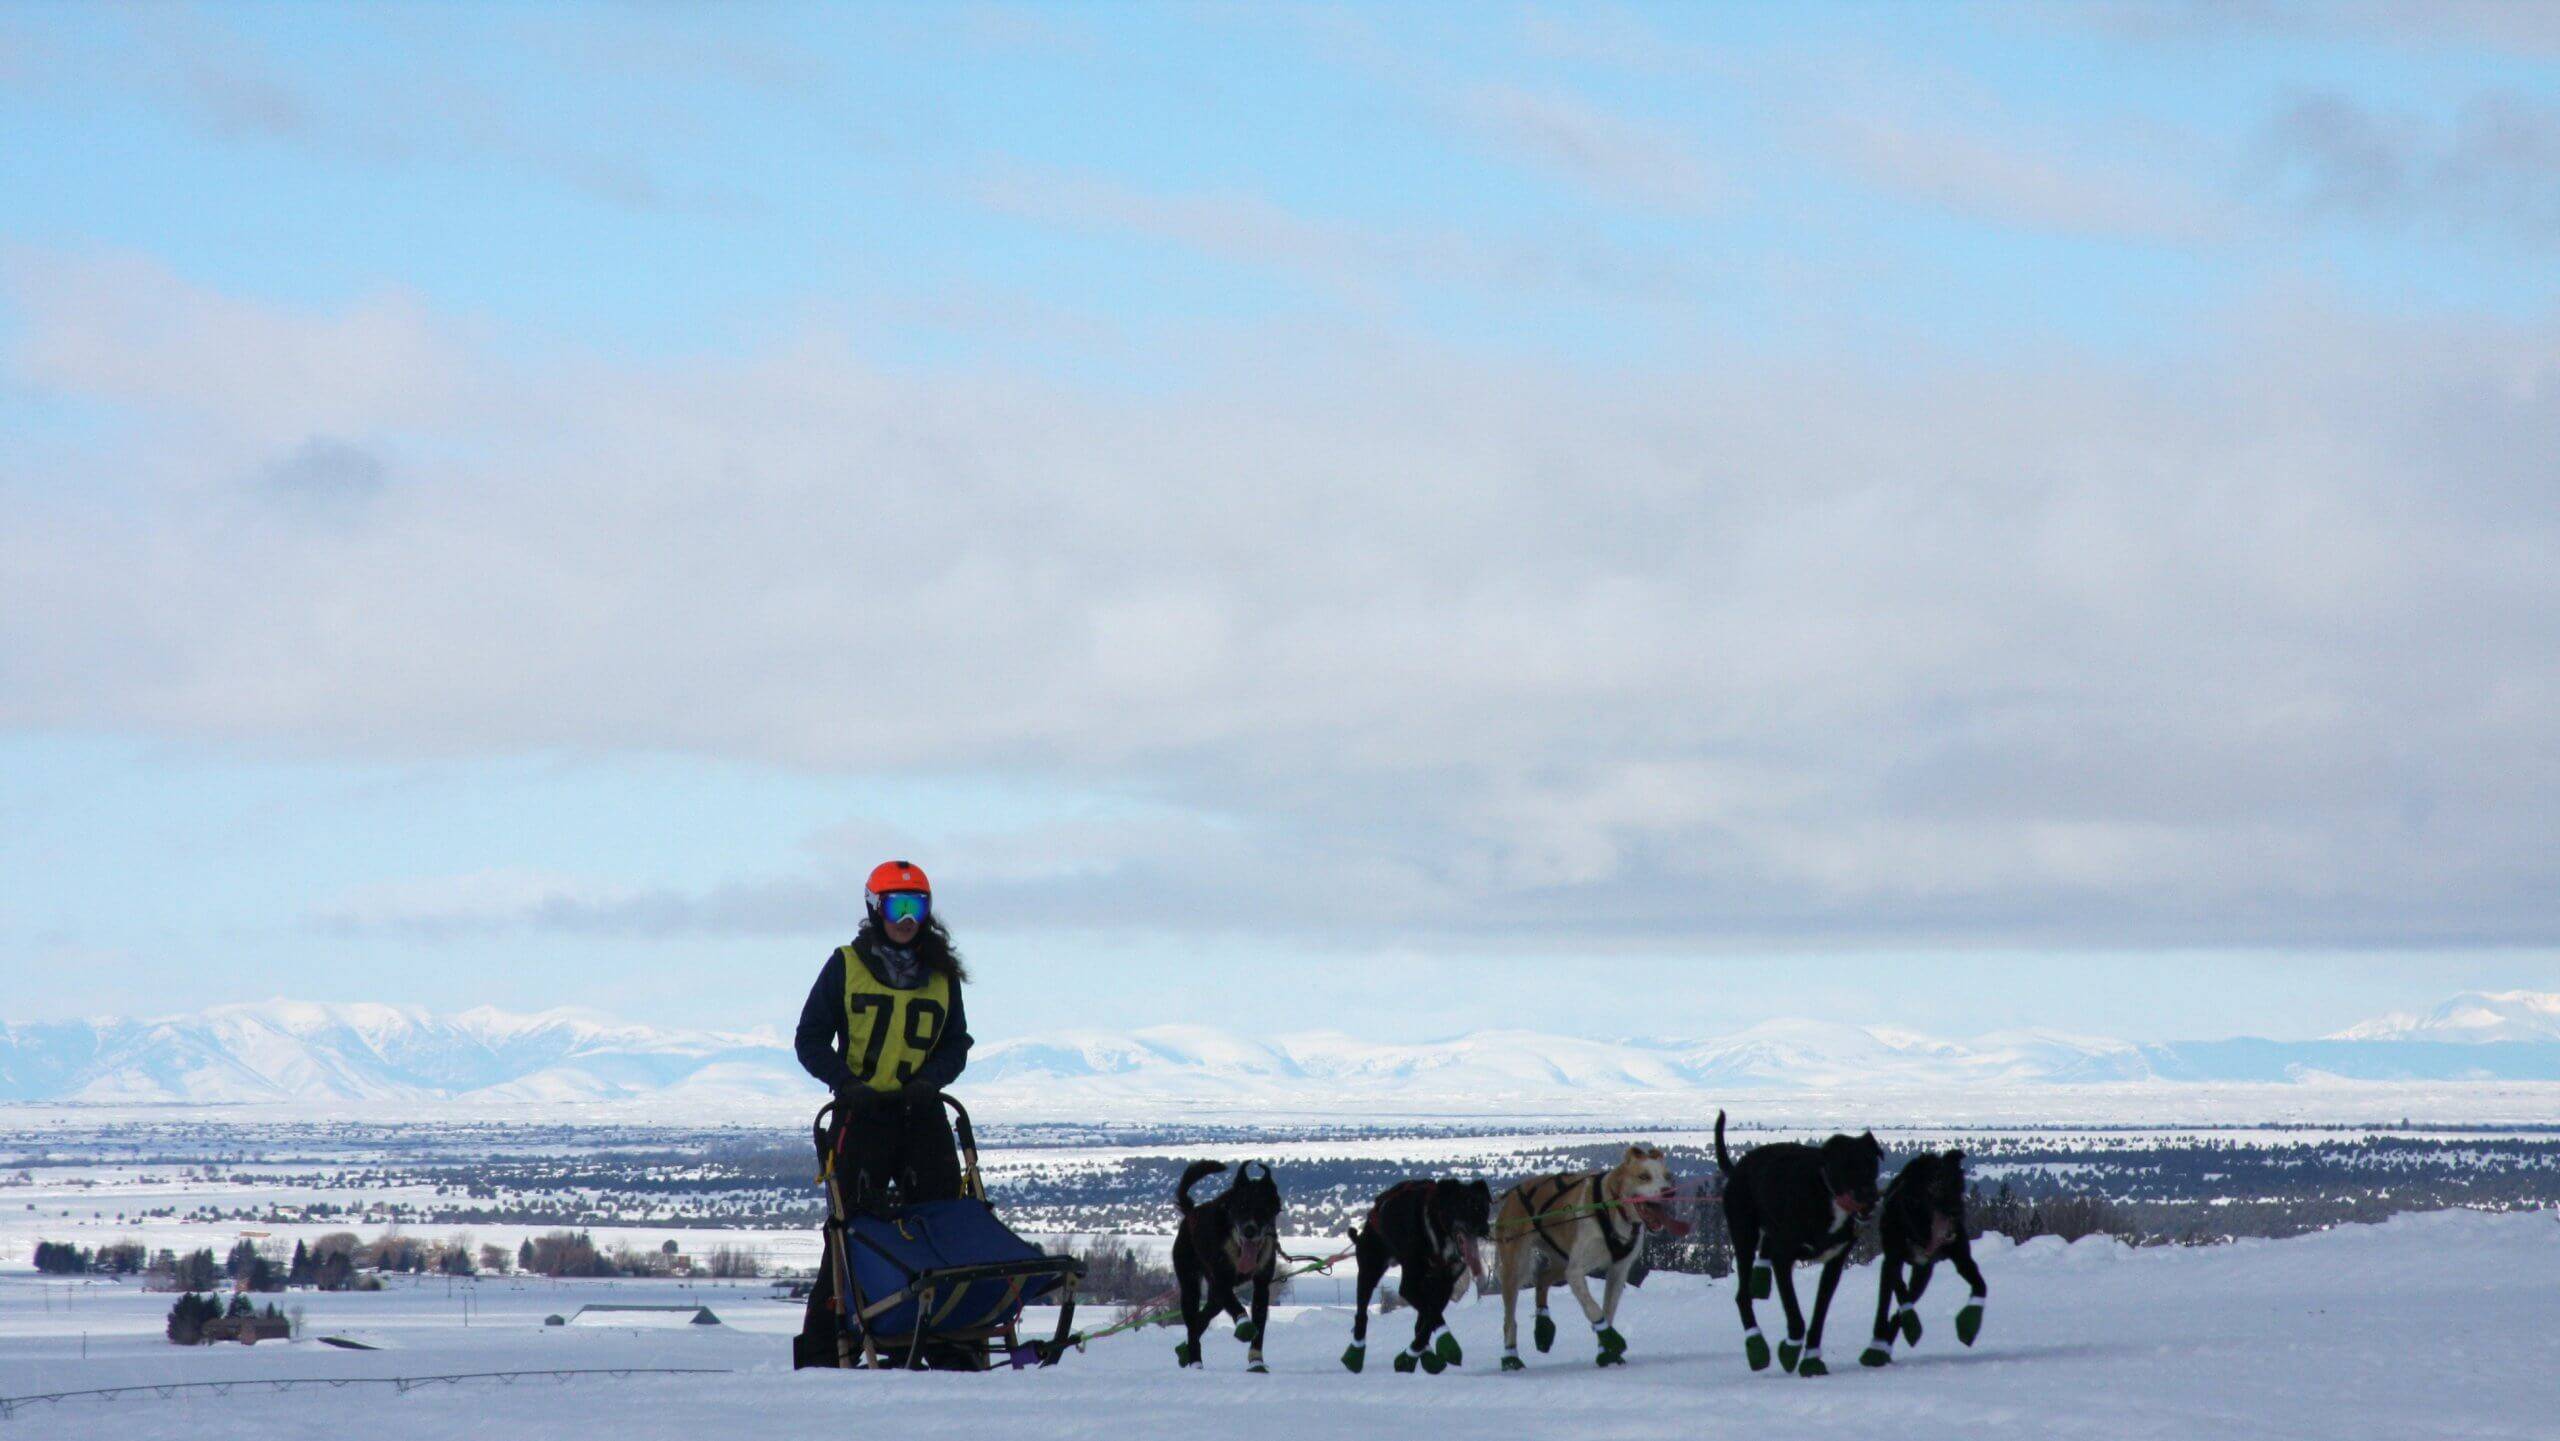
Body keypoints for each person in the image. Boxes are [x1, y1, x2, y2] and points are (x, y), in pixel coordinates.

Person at [795, 859, 974, 1205]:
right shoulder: (845, 966)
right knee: (847, 1231)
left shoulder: (942, 975)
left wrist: (929, 1082)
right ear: (876, 908)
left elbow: (956, 1043)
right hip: (861, 1116)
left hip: (921, 1115)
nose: (907, 920)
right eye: (898, 907)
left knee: (946, 1221)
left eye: (917, 908)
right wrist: (847, 1084)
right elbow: (810, 1039)